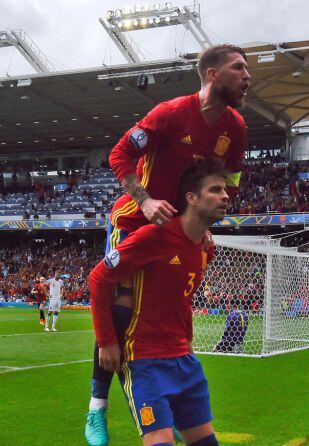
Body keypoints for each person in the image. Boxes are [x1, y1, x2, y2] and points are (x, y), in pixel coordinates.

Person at [86, 44, 249, 445]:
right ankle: (97, 409)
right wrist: (143, 199)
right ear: (212, 74)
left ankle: (169, 415)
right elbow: (120, 153)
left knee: (170, 302)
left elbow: (232, 177)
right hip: (133, 220)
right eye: (239, 67)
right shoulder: (171, 113)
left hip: (179, 229)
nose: (248, 76)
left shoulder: (237, 128)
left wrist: (205, 217)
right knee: (118, 308)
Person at [90, 160, 227, 446]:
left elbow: (183, 299)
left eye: (225, 190)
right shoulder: (153, 236)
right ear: (191, 198)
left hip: (185, 361)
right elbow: (98, 279)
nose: (225, 196)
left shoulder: (206, 247)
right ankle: (96, 408)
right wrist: (106, 341)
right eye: (215, 190)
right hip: (145, 361)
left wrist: (187, 341)